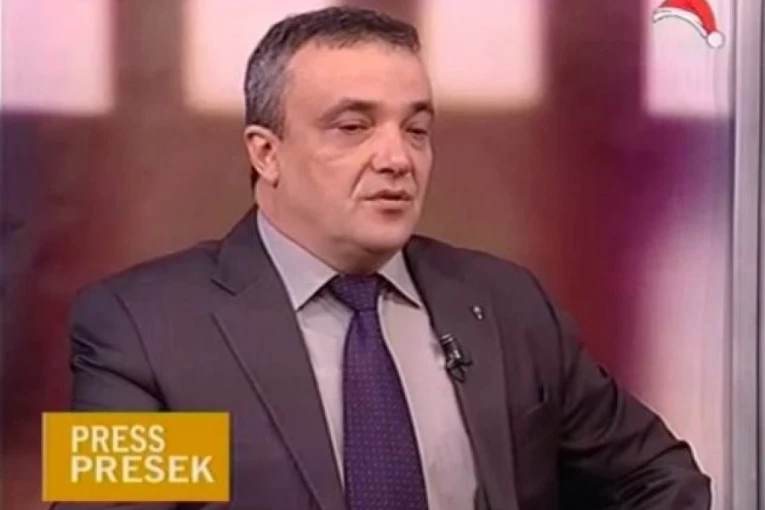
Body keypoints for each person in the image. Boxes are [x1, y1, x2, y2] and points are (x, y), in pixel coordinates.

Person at [60, 6, 710, 510]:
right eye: (353, 127)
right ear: (266, 152)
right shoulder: (145, 330)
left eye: (416, 129)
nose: (397, 158)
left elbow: (657, 479)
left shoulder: (507, 306)